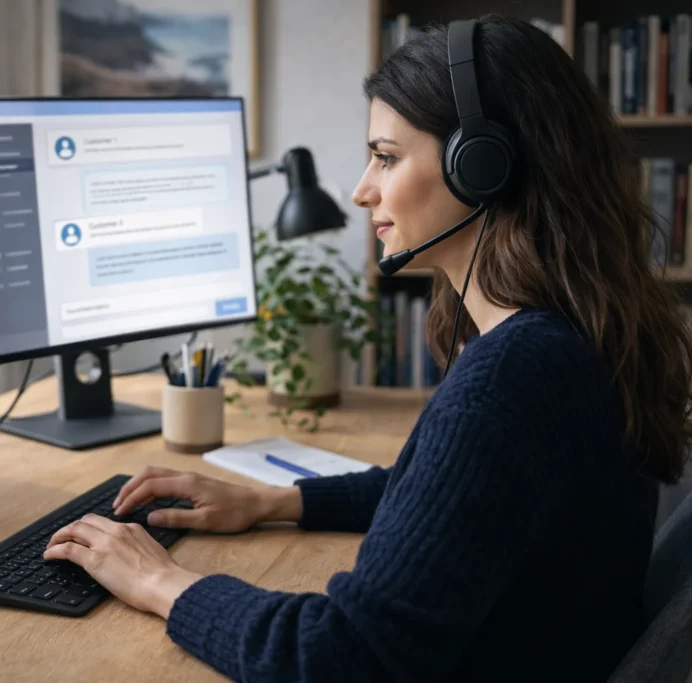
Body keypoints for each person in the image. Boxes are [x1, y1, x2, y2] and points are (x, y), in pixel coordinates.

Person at [43, 16, 692, 682]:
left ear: (484, 164)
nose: (362, 190)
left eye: (385, 156)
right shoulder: (570, 338)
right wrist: (276, 503)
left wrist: (159, 580)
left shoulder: (516, 376)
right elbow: (450, 497)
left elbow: (339, 658)